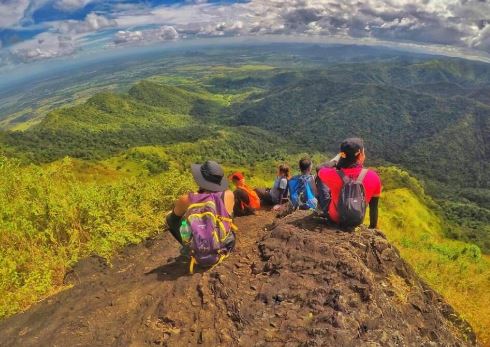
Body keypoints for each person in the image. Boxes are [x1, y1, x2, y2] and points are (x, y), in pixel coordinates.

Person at [165, 160, 236, 272]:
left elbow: (172, 219)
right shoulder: (228, 195)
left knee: (170, 218)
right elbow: (229, 219)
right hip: (224, 247)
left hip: (197, 252)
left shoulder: (186, 199)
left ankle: (191, 246)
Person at [317, 138, 382, 229]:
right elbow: (373, 208)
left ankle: (321, 209)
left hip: (335, 218)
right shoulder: (374, 177)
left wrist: (336, 160)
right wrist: (372, 227)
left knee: (320, 179)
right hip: (357, 220)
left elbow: (319, 168)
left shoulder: (333, 174)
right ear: (359, 155)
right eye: (363, 152)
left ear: (342, 155)